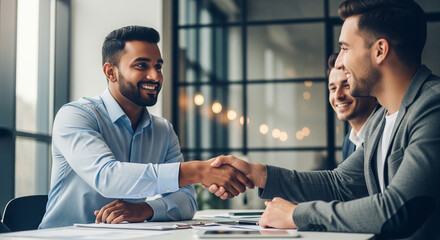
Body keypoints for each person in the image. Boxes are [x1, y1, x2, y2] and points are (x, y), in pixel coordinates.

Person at [208, 0, 440, 239]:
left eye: (346, 48)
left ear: (380, 50)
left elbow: (398, 209)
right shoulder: (382, 117)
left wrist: (296, 215)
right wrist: (257, 173)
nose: (339, 61)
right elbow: (340, 184)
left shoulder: (432, 106)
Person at [39, 26, 252, 229]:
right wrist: (197, 171)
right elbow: (107, 177)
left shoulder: (163, 130)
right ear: (110, 72)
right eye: (141, 65)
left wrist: (146, 208)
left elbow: (186, 199)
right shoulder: (76, 116)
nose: (155, 76)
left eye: (158, 66)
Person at [327, 53, 377, 162]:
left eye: (346, 86)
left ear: (369, 86)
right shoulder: (348, 142)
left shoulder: (387, 129)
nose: (338, 96)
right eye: (333, 88)